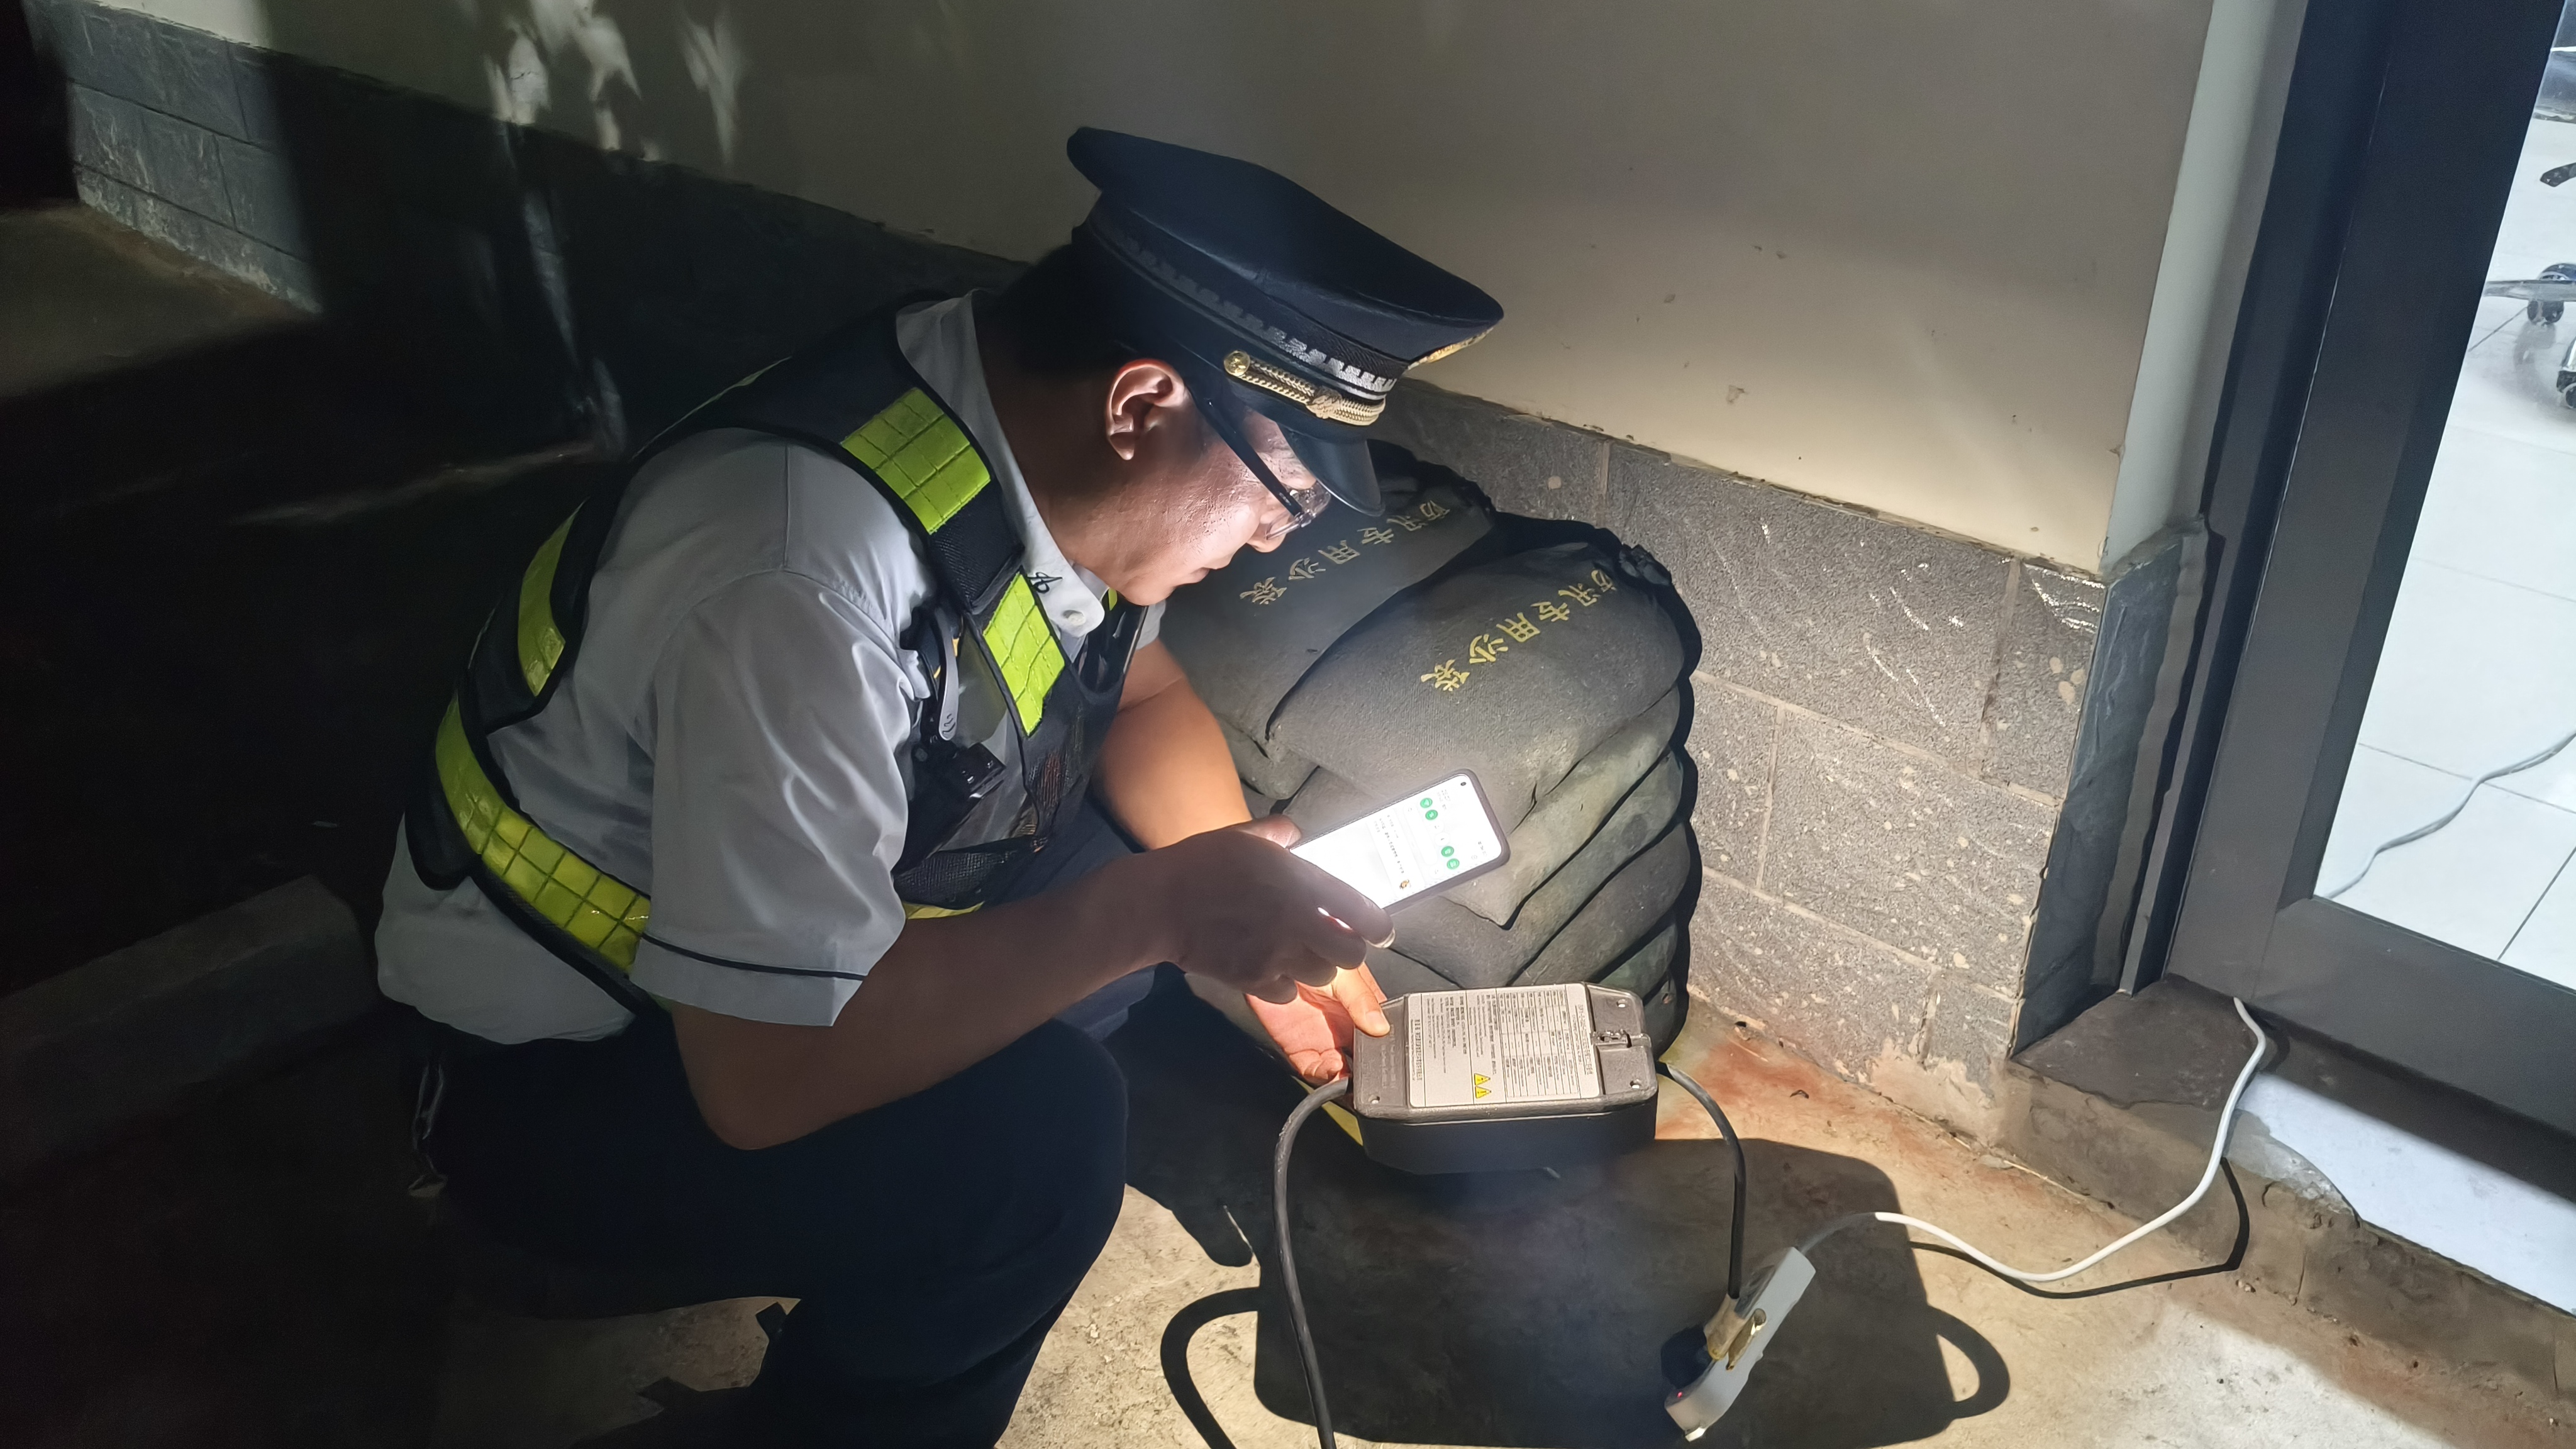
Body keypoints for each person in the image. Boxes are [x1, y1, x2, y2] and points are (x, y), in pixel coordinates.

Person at [374, 128, 1504, 1444]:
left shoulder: (1011, 418)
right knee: (1036, 1148)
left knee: (1125, 890)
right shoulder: (799, 579)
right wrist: (1158, 912)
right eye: (1284, 491)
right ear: (1142, 407)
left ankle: (892, 1232)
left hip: (727, 975)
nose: (1271, 534)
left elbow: (1140, 698)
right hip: (556, 1081)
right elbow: (764, 1078)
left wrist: (1236, 893)